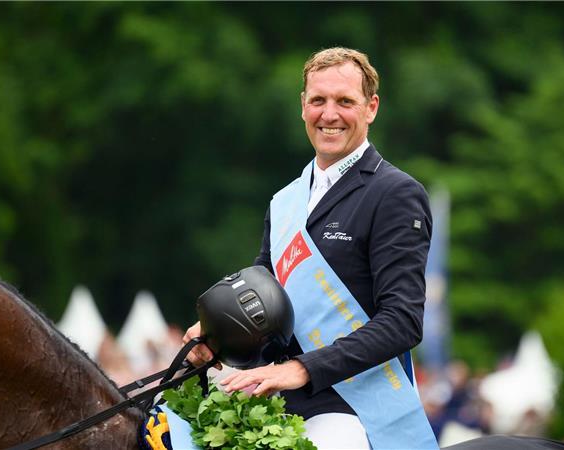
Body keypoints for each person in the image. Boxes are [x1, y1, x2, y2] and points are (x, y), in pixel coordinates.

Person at [184, 47, 437, 449]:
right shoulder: (285, 201)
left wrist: (303, 368)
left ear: (371, 108)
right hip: (276, 399)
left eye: (345, 101)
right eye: (318, 100)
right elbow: (263, 305)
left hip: (353, 409)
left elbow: (402, 321)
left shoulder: (395, 194)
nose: (329, 114)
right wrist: (215, 339)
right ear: (303, 106)